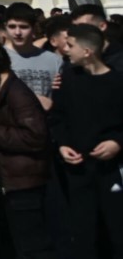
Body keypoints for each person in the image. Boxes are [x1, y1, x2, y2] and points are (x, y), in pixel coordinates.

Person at [0, 40, 56, 259]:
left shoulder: (16, 92)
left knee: (33, 244)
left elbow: (35, 135)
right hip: (9, 178)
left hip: (25, 180)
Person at [50, 24, 123, 257]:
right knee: (83, 233)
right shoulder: (68, 78)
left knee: (117, 229)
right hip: (78, 170)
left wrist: (117, 143)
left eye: (70, 45)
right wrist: (61, 145)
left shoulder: (117, 81)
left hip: (112, 169)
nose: (65, 50)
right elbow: (57, 117)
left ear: (87, 51)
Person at [3, 3, 62, 109]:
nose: (17, 32)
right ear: (5, 27)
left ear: (34, 28)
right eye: (12, 27)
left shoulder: (54, 60)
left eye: (23, 27)